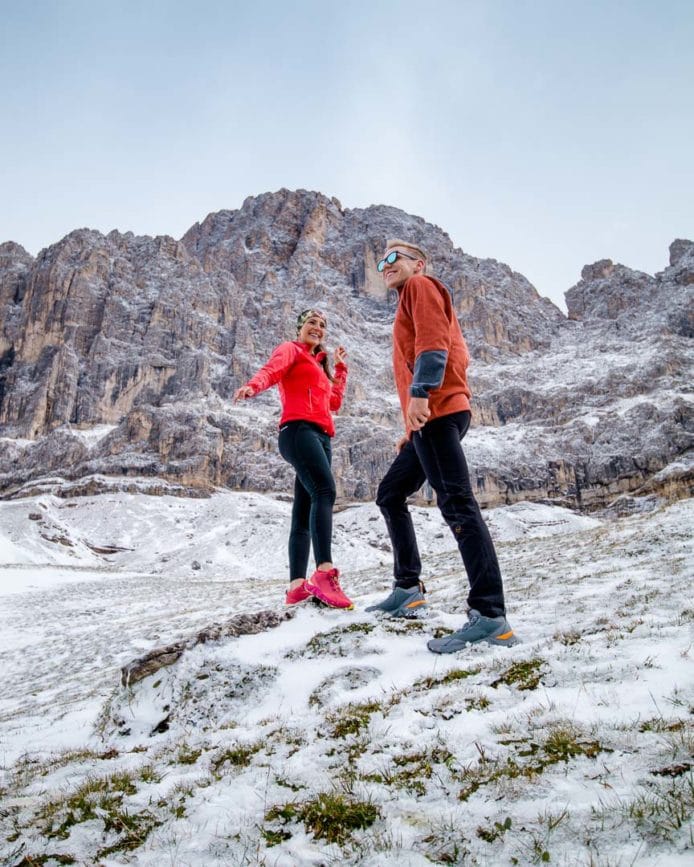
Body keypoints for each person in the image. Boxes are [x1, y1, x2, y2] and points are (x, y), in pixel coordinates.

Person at [366, 240, 517, 652]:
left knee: (457, 505)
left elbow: (433, 342)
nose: (386, 265)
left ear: (418, 263)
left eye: (394, 257)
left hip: (437, 409)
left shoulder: (421, 286)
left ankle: (490, 615)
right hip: (427, 419)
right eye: (381, 261)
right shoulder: (408, 298)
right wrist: (410, 427)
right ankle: (407, 589)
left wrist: (421, 394)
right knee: (390, 493)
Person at [234, 309, 353, 609]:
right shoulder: (291, 350)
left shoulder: (319, 366)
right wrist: (253, 386)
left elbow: (334, 402)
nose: (317, 328)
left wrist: (340, 370)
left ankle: (296, 587)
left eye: (322, 325)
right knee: (325, 491)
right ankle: (324, 573)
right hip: (298, 431)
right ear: (300, 327)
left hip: (322, 437)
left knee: (304, 508)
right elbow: (272, 370)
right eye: (312, 323)